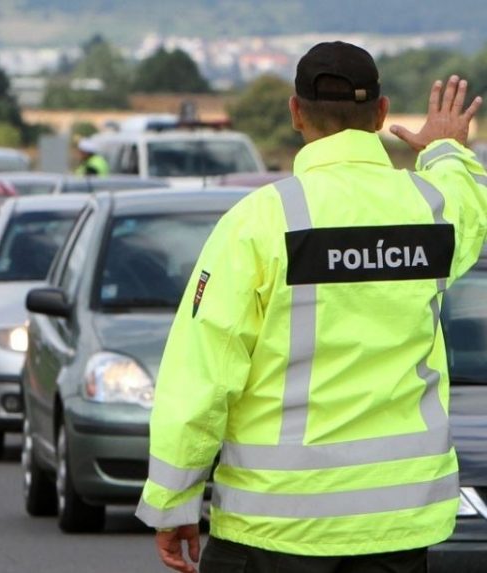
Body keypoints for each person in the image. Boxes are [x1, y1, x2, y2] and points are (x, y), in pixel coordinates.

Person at [136, 41, 486, 573]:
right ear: (383, 114)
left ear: (296, 113)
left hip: (274, 527)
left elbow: (202, 376)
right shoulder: (429, 209)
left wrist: (173, 501)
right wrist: (445, 151)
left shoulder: (258, 222)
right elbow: (469, 210)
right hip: (396, 526)